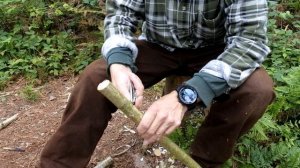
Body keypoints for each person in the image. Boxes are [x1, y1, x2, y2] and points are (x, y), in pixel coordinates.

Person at [38, 0, 275, 167]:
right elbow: (120, 14)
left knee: (257, 89)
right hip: (157, 46)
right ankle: (59, 164)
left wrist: (186, 96)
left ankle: (203, 161)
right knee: (95, 78)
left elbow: (249, 43)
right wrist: (119, 62)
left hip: (216, 52)